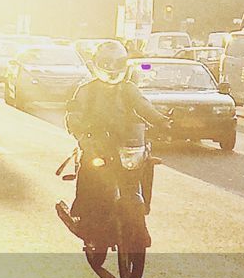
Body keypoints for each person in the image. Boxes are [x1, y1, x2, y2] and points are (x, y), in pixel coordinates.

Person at [57, 40, 169, 244]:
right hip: (96, 145)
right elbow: (74, 115)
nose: (111, 68)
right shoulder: (86, 90)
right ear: (97, 63)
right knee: (88, 174)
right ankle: (82, 217)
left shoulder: (128, 89)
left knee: (146, 164)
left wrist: (162, 121)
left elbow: (143, 106)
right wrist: (81, 134)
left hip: (125, 143)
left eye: (117, 63)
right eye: (107, 63)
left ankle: (141, 214)